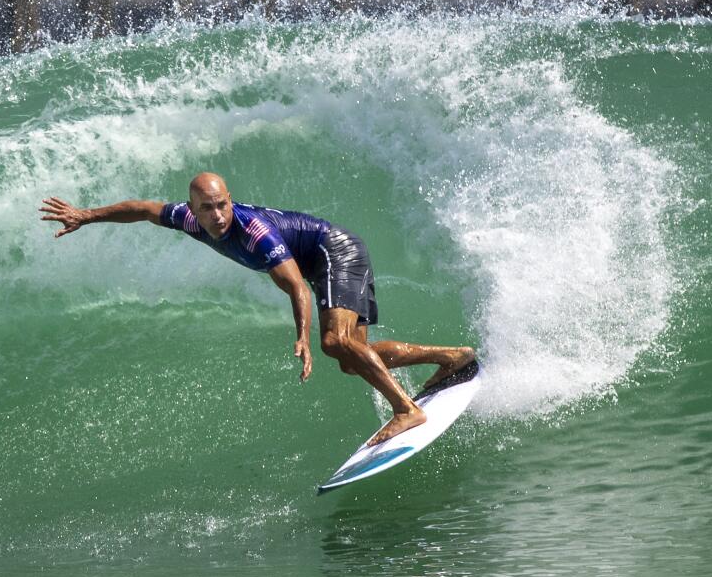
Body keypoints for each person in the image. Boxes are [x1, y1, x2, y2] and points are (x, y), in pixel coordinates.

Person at [40, 171, 474, 446]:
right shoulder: (188, 220)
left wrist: (303, 335)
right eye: (207, 208)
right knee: (349, 359)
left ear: (232, 199)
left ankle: (406, 411)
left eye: (223, 204)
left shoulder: (256, 233)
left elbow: (295, 287)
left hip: (335, 252)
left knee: (332, 342)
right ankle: (453, 358)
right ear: (192, 210)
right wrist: (87, 215)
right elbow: (144, 209)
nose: (218, 215)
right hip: (325, 259)